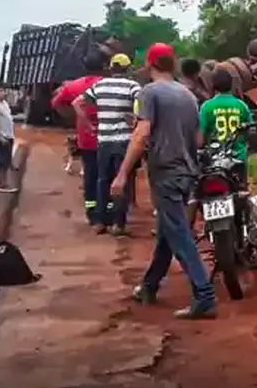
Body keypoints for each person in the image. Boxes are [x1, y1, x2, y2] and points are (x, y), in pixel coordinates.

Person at [111, 42, 216, 320]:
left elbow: (141, 133)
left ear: (151, 64)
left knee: (179, 234)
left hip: (166, 172)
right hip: (186, 172)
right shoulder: (189, 95)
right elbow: (197, 139)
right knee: (168, 231)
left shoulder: (149, 93)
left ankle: (204, 295)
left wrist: (123, 173)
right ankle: (149, 286)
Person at [76, 53, 141, 237]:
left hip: (103, 140)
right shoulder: (132, 86)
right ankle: (118, 223)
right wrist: (134, 121)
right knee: (123, 180)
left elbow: (78, 103)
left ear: (111, 67)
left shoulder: (99, 85)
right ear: (128, 69)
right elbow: (141, 104)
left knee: (102, 179)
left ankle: (99, 221)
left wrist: (90, 125)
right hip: (124, 141)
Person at [51, 52, 105, 225]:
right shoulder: (107, 85)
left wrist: (70, 117)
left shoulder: (74, 85)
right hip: (109, 137)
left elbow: (56, 103)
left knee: (90, 173)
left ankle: (91, 211)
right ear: (104, 67)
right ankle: (107, 211)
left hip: (86, 137)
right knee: (107, 174)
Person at [200, 66, 253, 185]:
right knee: (241, 191)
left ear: (213, 85)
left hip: (214, 159)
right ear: (231, 84)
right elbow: (250, 131)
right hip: (238, 158)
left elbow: (201, 135)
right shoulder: (241, 105)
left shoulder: (207, 107)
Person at [0, 81, 18, 193]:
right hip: (1, 136)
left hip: (9, 135)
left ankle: (3, 181)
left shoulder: (5, 104)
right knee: (2, 161)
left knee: (6, 160)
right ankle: (1, 183)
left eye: (1, 91)